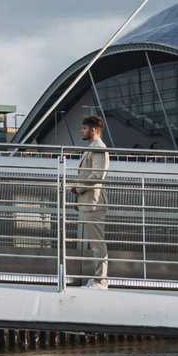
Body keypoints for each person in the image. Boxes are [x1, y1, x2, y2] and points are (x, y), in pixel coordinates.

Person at [69, 115, 109, 288]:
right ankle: (98, 278)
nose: (82, 131)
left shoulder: (99, 148)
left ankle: (101, 280)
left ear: (93, 130)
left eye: (84, 128)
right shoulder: (92, 147)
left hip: (94, 202)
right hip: (89, 201)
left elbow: (98, 175)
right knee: (95, 243)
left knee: (97, 243)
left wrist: (78, 188)